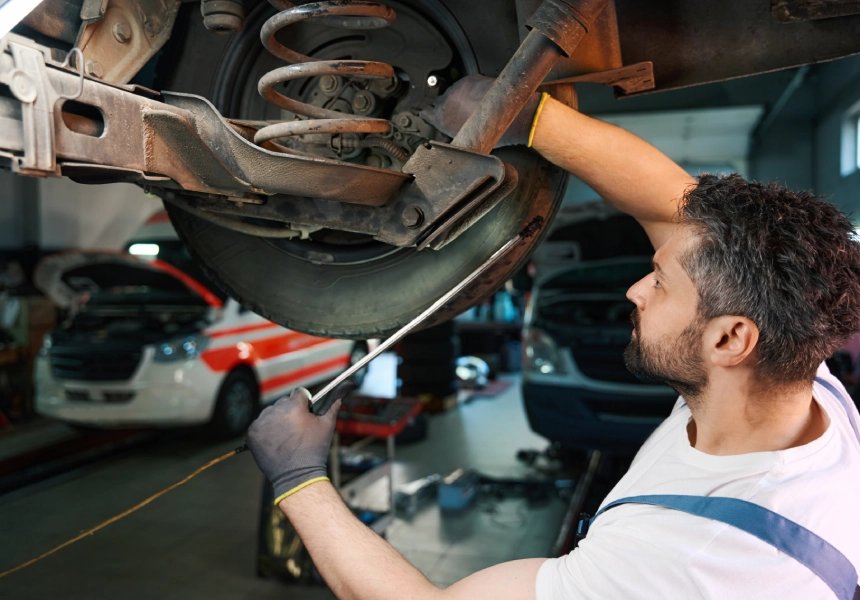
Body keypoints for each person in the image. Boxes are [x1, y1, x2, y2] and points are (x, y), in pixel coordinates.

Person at [246, 75, 860, 599]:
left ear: (729, 340)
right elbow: (669, 203)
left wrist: (298, 478)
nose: (635, 291)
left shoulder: (690, 565)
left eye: (660, 283)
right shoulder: (800, 380)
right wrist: (529, 115)